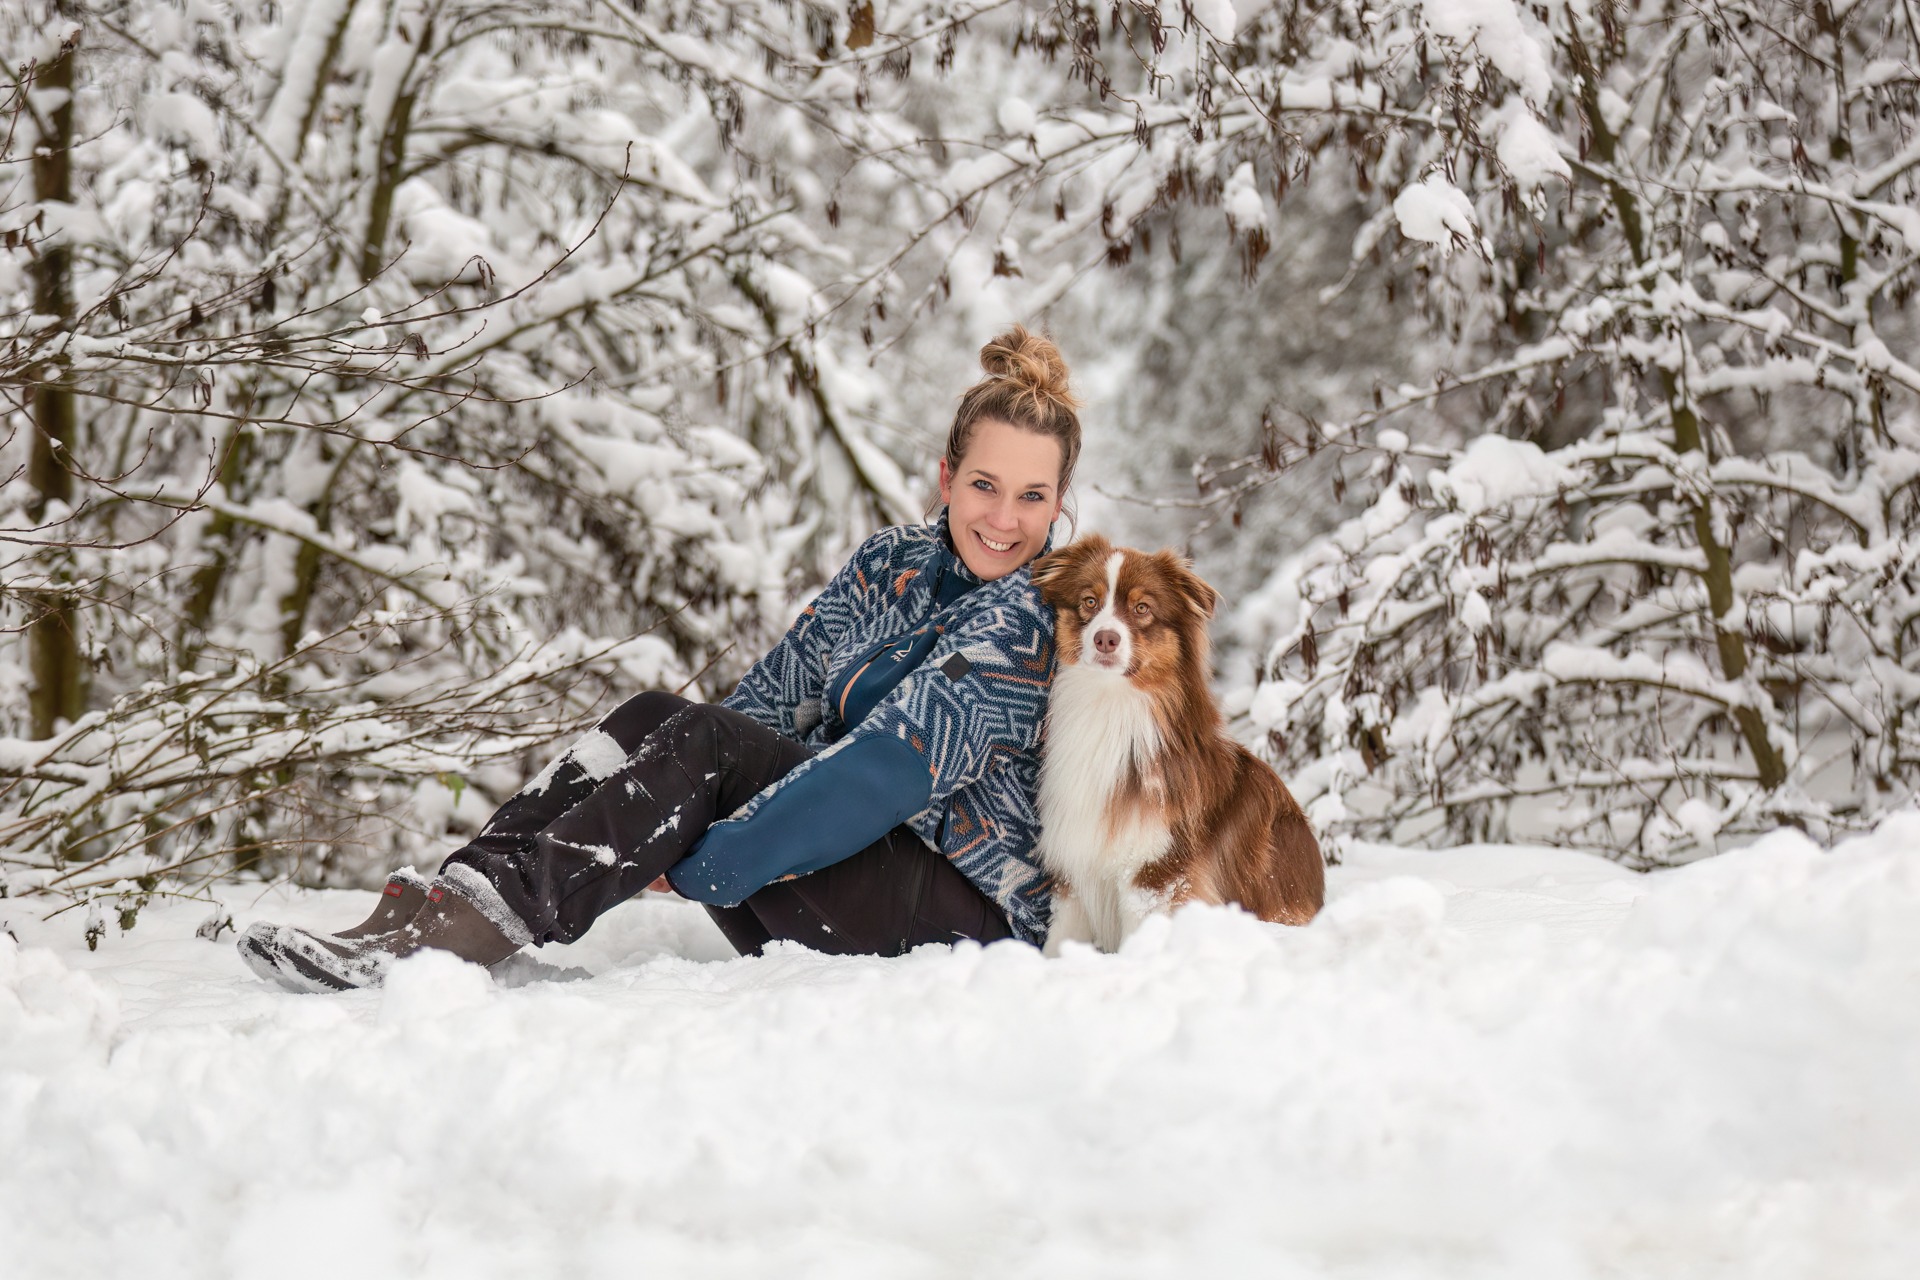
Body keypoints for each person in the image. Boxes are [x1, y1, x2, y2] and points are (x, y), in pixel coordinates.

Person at [239, 326, 1083, 992]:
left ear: (1058, 503)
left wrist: (710, 859)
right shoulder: (888, 566)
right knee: (659, 719)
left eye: (1032, 496)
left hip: (961, 921)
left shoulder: (1036, 618)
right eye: (985, 484)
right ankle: (455, 901)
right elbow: (765, 707)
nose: (1003, 518)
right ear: (946, 476)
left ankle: (466, 939)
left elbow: (887, 771)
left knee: (705, 748)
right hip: (836, 872)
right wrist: (663, 806)